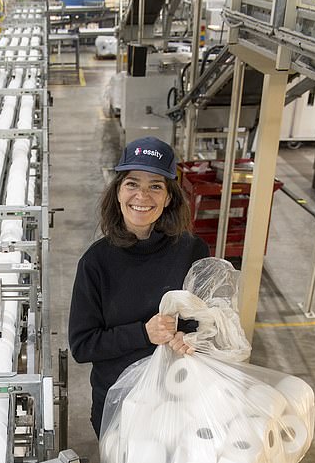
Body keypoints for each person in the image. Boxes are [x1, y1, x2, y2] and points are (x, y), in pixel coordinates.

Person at [68, 136, 210, 437]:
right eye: (132, 183)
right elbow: (82, 345)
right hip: (119, 404)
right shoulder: (96, 262)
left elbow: (206, 322)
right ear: (118, 191)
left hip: (176, 398)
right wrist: (143, 333)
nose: (142, 196)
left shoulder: (192, 250)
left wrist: (191, 337)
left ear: (169, 197)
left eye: (155, 186)